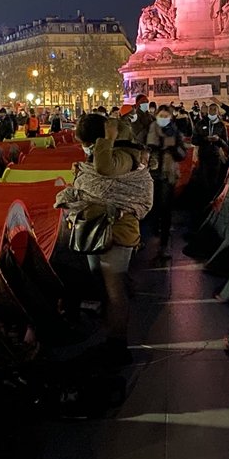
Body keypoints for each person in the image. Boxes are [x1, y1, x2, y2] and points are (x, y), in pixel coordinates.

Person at [56, 113, 152, 368]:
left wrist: (106, 140)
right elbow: (96, 175)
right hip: (97, 228)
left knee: (114, 289)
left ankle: (118, 346)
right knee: (100, 279)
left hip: (117, 230)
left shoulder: (125, 155)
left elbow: (104, 169)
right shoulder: (106, 153)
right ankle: (110, 333)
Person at [146, 105, 187, 262]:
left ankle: (164, 243)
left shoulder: (176, 133)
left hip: (168, 174)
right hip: (152, 174)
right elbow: (145, 149)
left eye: (166, 116)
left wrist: (173, 148)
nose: (163, 118)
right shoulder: (150, 131)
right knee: (153, 207)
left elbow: (182, 154)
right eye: (160, 115)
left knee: (166, 208)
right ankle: (154, 235)